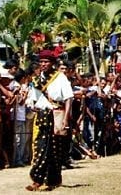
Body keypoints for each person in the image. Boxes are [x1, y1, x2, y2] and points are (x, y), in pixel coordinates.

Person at [25, 48, 73, 191]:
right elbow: (32, 98)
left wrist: (66, 118)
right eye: (41, 61)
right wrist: (31, 106)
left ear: (52, 63)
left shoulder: (60, 77)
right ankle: (37, 179)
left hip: (55, 115)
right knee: (40, 148)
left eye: (46, 61)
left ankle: (53, 179)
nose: (43, 64)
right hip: (41, 116)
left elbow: (68, 98)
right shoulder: (37, 79)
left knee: (54, 149)